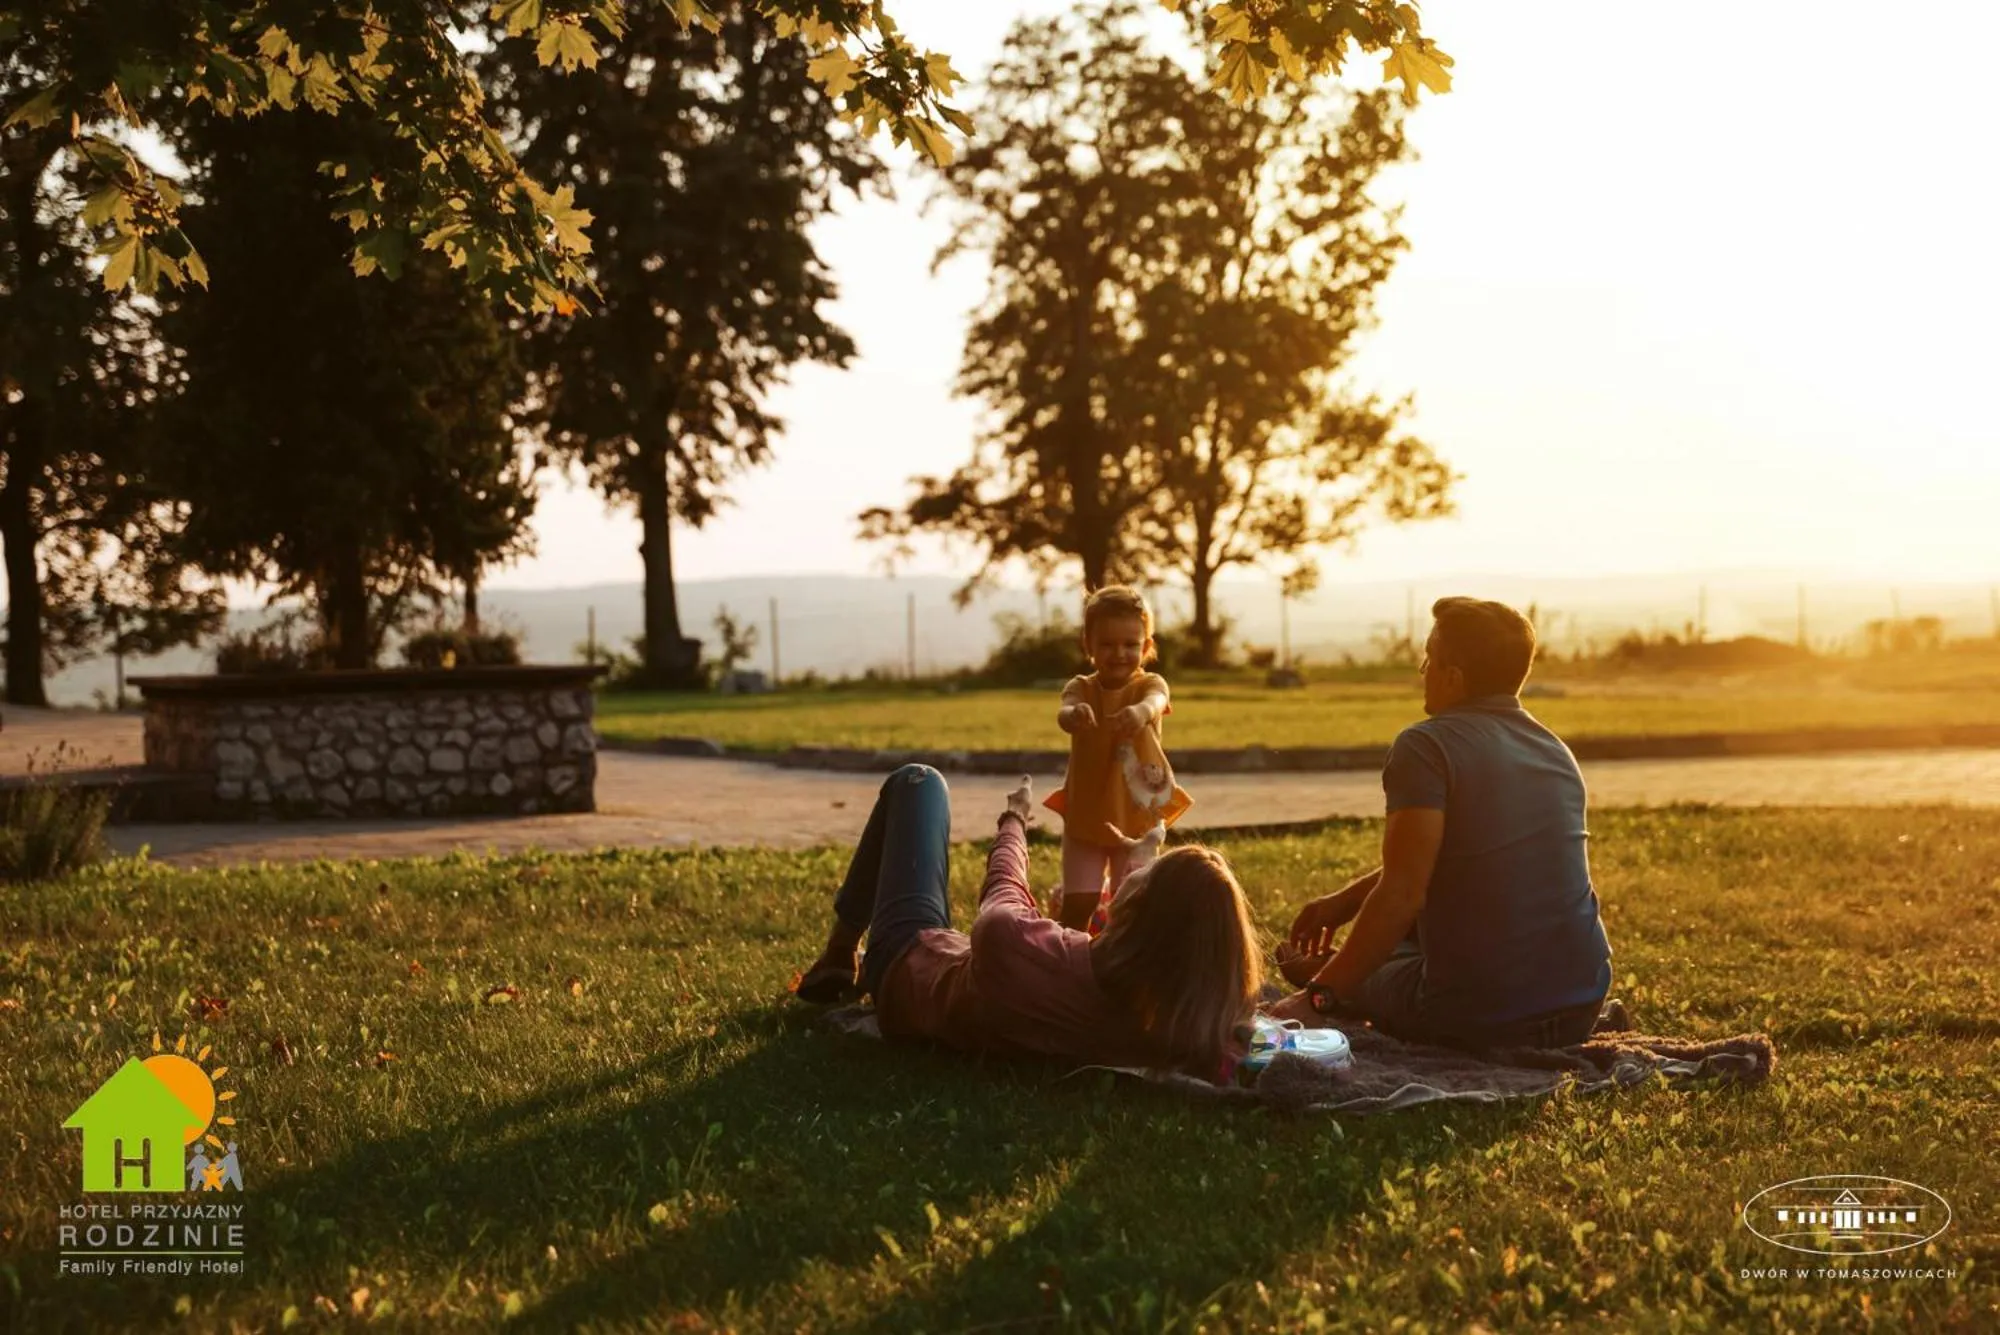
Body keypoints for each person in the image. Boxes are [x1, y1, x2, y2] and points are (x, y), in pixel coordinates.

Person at [1269, 597, 1614, 1049]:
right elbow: (1455, 852)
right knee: (1400, 942)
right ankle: (1353, 970)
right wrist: (1346, 901)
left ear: (1453, 677)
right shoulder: (1554, 750)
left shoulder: (1425, 746)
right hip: (1580, 1005)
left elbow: (1402, 894)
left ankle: (1326, 977)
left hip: (1479, 1015)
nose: (1422, 670)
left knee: (1372, 966)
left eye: (1429, 658)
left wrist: (1317, 998)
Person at [792, 765, 1259, 1078]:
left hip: (904, 964)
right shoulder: (1172, 1025)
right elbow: (1164, 930)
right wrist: (1142, 859)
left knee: (918, 781)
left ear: (1137, 906)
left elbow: (1005, 886)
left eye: (1145, 875)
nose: (1136, 873)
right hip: (975, 978)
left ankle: (841, 954)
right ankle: (840, 958)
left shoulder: (1017, 943)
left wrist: (1015, 818)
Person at [1042, 585, 1193, 931]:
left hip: (1136, 817)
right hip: (1086, 815)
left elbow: (1157, 700)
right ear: (1088, 645)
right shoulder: (1081, 688)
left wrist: (1141, 712)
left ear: (1147, 647)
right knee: (1079, 903)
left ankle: (1123, 957)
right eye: (1107, 644)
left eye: (1130, 644)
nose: (1119, 653)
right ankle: (1069, 953)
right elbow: (1064, 712)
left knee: (1132, 906)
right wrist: (1074, 715)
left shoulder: (1148, 685)